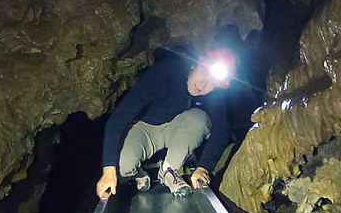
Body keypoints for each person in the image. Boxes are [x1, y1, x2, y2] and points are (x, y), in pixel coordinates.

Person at [96, 48, 236, 200]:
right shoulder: (164, 73)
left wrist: (203, 168)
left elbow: (221, 131)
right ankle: (138, 174)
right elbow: (118, 119)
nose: (203, 85)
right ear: (194, 65)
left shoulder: (214, 95)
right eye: (204, 75)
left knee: (199, 118)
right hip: (145, 128)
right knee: (123, 167)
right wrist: (108, 169)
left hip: (176, 128)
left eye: (211, 85)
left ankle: (169, 170)